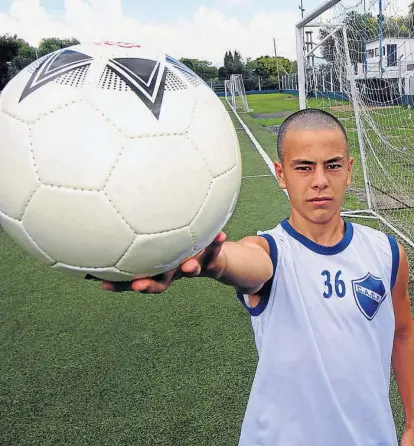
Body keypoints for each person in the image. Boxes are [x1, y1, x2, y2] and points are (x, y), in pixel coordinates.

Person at [102, 109, 414, 446]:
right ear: (281, 174)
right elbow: (246, 263)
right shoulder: (270, 251)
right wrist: (211, 261)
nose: (320, 180)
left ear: (349, 170)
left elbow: (403, 333)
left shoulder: (388, 253)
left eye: (333, 165)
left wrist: (412, 423)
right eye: (304, 167)